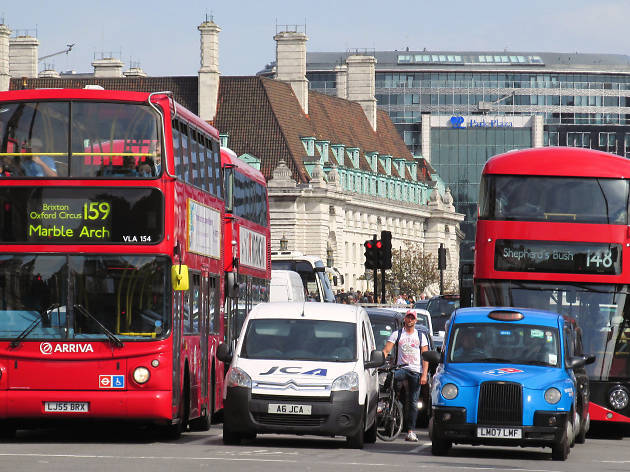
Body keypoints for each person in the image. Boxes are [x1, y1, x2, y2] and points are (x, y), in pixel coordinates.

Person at [382, 309, 429, 442]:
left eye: (412, 318)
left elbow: (425, 357)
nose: (410, 320)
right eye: (408, 317)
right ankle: (389, 404)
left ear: (416, 320)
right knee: (390, 378)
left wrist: (424, 374)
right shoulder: (397, 334)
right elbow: (386, 350)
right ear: (404, 319)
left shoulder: (420, 336)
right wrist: (378, 362)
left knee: (413, 402)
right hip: (401, 368)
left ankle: (411, 431)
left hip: (415, 370)